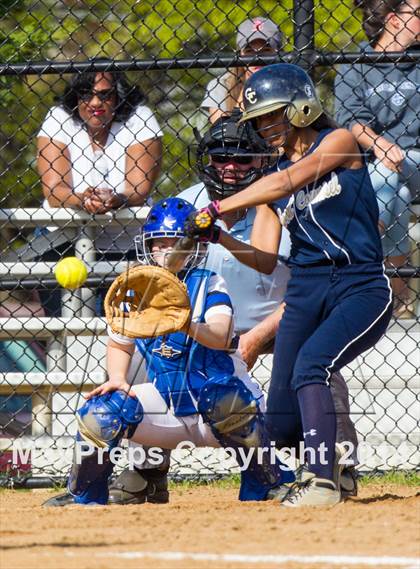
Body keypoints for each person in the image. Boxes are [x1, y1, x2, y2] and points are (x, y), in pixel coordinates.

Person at [108, 112, 359, 506]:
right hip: (201, 329)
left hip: (280, 324)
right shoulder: (186, 205)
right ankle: (145, 471)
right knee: (143, 355)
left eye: (243, 158)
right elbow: (157, 282)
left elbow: (309, 289)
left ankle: (333, 467)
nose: (230, 167)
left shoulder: (289, 203)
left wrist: (257, 338)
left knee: (317, 360)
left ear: (263, 160)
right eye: (220, 157)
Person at [185, 63, 393, 507]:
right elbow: (263, 259)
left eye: (271, 115)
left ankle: (321, 482)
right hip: (305, 291)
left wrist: (218, 207)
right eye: (258, 119)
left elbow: (286, 180)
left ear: (302, 107)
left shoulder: (338, 142)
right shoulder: (272, 179)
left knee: (311, 366)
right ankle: (331, 459)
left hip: (358, 285)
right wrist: (220, 235)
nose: (264, 127)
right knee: (279, 425)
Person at [43, 197, 294, 507]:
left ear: (194, 248)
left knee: (222, 398)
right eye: (158, 243)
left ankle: (267, 480)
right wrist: (119, 378)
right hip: (169, 407)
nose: (166, 252)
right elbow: (120, 342)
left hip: (225, 406)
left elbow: (220, 336)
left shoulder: (209, 283)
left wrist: (187, 324)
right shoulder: (135, 288)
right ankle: (85, 494)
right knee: (103, 410)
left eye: (175, 243)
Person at [334, 0, 420, 313]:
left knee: (388, 177)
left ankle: (357, 258)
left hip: (416, 162)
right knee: (396, 190)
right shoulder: (355, 60)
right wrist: (379, 143)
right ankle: (399, 298)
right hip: (377, 168)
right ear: (395, 21)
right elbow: (347, 116)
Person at [37, 64, 162, 259]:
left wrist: (117, 200)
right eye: (86, 94)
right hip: (62, 238)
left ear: (118, 96)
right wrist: (83, 199)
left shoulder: (139, 117)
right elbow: (55, 191)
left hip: (125, 242)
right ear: (76, 96)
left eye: (105, 95)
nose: (95, 102)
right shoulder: (59, 117)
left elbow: (138, 189)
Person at [201, 17, 283, 123]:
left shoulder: (293, 79)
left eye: (266, 50)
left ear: (278, 52)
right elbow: (221, 134)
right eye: (249, 51)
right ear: (240, 54)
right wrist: (250, 87)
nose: (257, 58)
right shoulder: (221, 84)